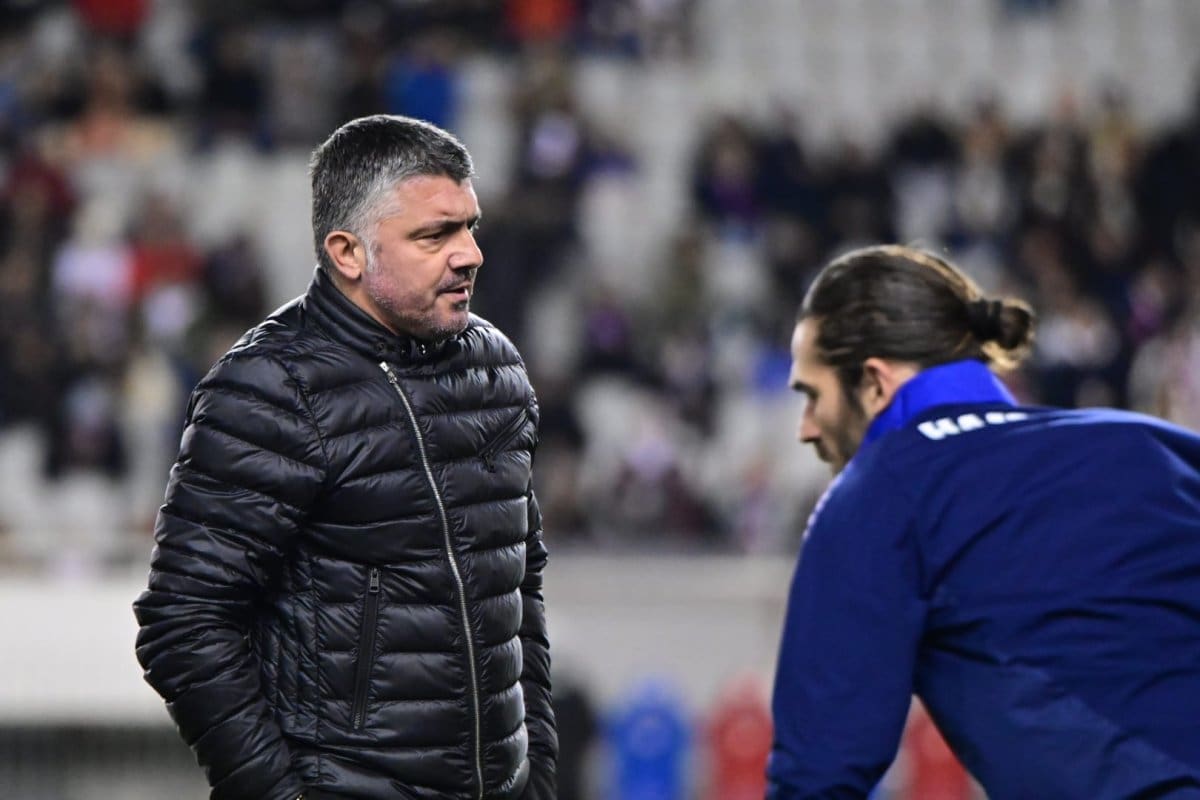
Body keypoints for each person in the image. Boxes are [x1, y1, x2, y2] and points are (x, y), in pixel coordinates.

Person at [133, 114, 557, 800]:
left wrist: (534, 779)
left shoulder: (496, 371)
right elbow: (183, 622)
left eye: (470, 226)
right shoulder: (270, 389)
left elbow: (519, 594)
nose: (471, 253)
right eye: (435, 234)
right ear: (348, 252)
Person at [768, 244, 1200, 798]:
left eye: (812, 396)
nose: (805, 427)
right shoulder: (1151, 443)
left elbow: (818, 775)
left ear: (874, 383)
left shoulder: (880, 492)